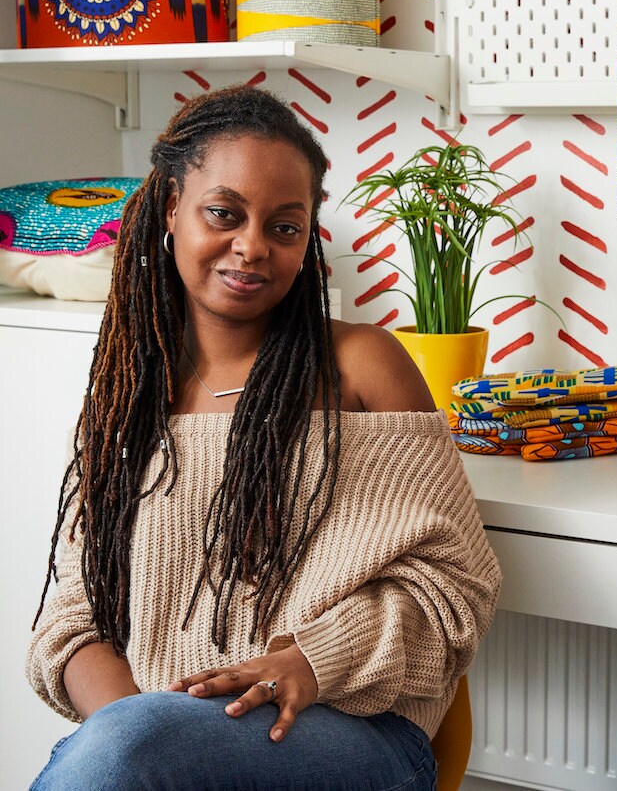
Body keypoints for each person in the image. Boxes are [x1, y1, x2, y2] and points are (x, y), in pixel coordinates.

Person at [26, 84, 501, 790]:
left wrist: (310, 659)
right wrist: (138, 728)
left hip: (353, 729)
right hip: (155, 744)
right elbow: (72, 618)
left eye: (284, 227)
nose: (252, 247)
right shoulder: (127, 399)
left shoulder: (359, 366)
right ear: (170, 211)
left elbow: (452, 587)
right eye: (224, 213)